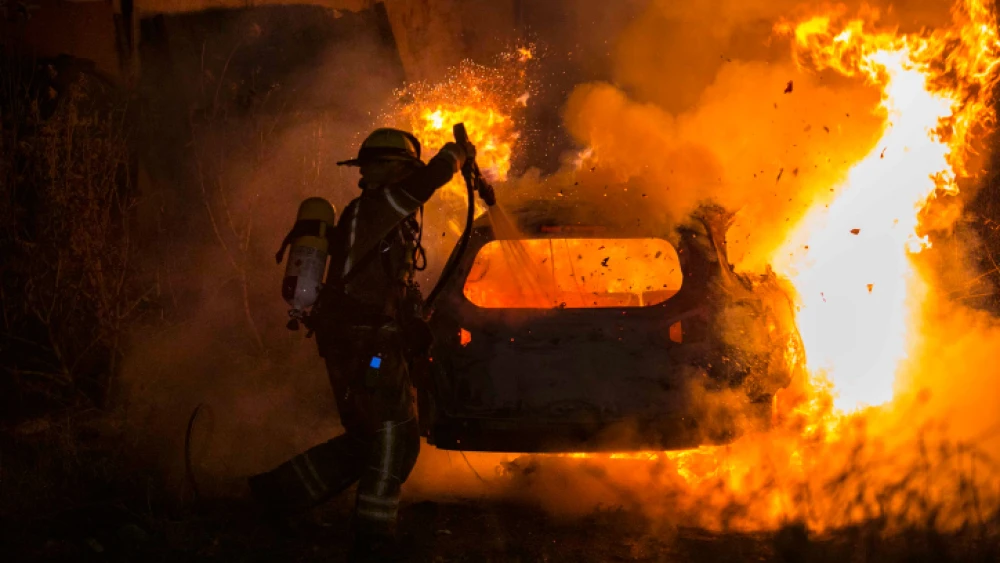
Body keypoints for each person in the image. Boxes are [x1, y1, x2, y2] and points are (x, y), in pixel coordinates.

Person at [248, 128, 474, 559]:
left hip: (362, 341)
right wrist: (457, 154)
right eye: (405, 169)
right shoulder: (376, 208)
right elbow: (427, 182)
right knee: (395, 438)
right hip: (365, 345)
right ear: (391, 170)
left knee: (365, 439)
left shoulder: (377, 215)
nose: (410, 177)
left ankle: (277, 494)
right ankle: (374, 538)